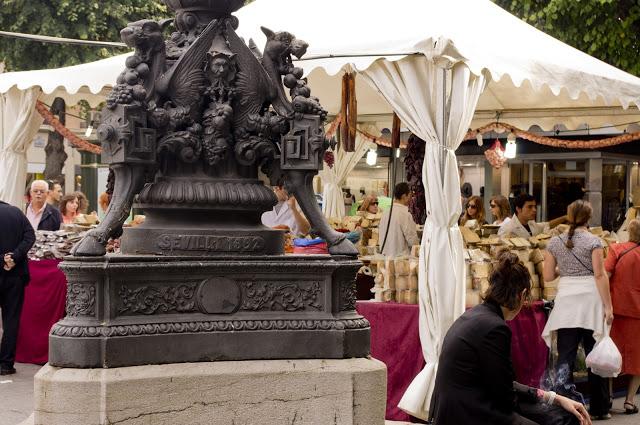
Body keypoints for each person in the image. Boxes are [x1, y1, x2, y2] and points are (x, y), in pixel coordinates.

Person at [429, 250, 591, 425]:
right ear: (522, 295)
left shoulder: (477, 315)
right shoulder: (495, 328)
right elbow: (506, 398)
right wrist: (549, 403)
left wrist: (555, 398)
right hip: (468, 413)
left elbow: (504, 386)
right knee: (561, 419)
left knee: (559, 415)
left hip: (461, 407)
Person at [541, 200, 612, 420]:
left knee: (566, 357)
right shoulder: (594, 241)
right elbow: (600, 275)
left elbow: (548, 276)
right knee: (595, 356)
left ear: (568, 215)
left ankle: (566, 407)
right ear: (588, 218)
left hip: (566, 302)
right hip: (591, 300)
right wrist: (608, 306)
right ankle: (600, 408)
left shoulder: (554, 242)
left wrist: (567, 269)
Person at [606, 218, 640, 415]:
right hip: (637, 313)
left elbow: (605, 273)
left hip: (616, 310)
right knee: (637, 359)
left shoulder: (616, 249)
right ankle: (629, 401)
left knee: (611, 355)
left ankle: (609, 397)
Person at [0, 199, 36, 375]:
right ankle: (6, 364)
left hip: (8, 270)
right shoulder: (15, 212)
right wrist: (14, 256)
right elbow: (30, 236)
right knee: (11, 320)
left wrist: (3, 259)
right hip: (15, 275)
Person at [378, 182, 419, 257]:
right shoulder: (405, 213)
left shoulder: (386, 212)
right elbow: (413, 241)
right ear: (404, 196)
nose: (411, 198)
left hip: (385, 257)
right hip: (401, 260)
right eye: (410, 195)